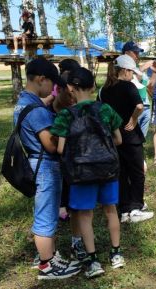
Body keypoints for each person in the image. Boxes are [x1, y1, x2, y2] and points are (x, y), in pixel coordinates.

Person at [52, 67, 125, 278]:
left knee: (85, 215)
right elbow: (119, 140)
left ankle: (93, 261)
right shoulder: (106, 110)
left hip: (81, 172)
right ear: (93, 86)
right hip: (108, 169)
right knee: (110, 209)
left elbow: (60, 149)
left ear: (70, 89)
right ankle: (116, 253)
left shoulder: (66, 115)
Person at [13, 58, 81, 280]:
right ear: (41, 79)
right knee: (45, 216)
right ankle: (46, 265)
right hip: (45, 167)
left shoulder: (23, 101)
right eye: (51, 84)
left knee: (48, 212)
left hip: (36, 163)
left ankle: (49, 255)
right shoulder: (36, 110)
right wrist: (63, 132)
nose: (52, 89)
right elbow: (51, 145)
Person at [99, 55, 151, 223]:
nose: (133, 75)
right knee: (137, 172)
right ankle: (136, 208)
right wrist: (134, 119)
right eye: (131, 72)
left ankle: (124, 210)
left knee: (121, 173)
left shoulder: (104, 90)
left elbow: (100, 111)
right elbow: (139, 106)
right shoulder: (128, 86)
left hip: (113, 138)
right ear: (125, 70)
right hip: (131, 137)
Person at [50, 58, 89, 262]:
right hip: (59, 166)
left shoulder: (78, 108)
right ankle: (50, 249)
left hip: (76, 164)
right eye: (69, 92)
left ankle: (76, 241)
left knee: (75, 207)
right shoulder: (52, 110)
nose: (73, 97)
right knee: (55, 206)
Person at [121, 41, 155, 140]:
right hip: (134, 108)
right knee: (131, 138)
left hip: (145, 106)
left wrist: (155, 72)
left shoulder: (137, 69)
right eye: (135, 52)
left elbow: (149, 85)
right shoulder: (122, 69)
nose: (137, 55)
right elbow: (131, 81)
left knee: (141, 139)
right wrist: (143, 67)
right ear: (127, 53)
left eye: (138, 53)